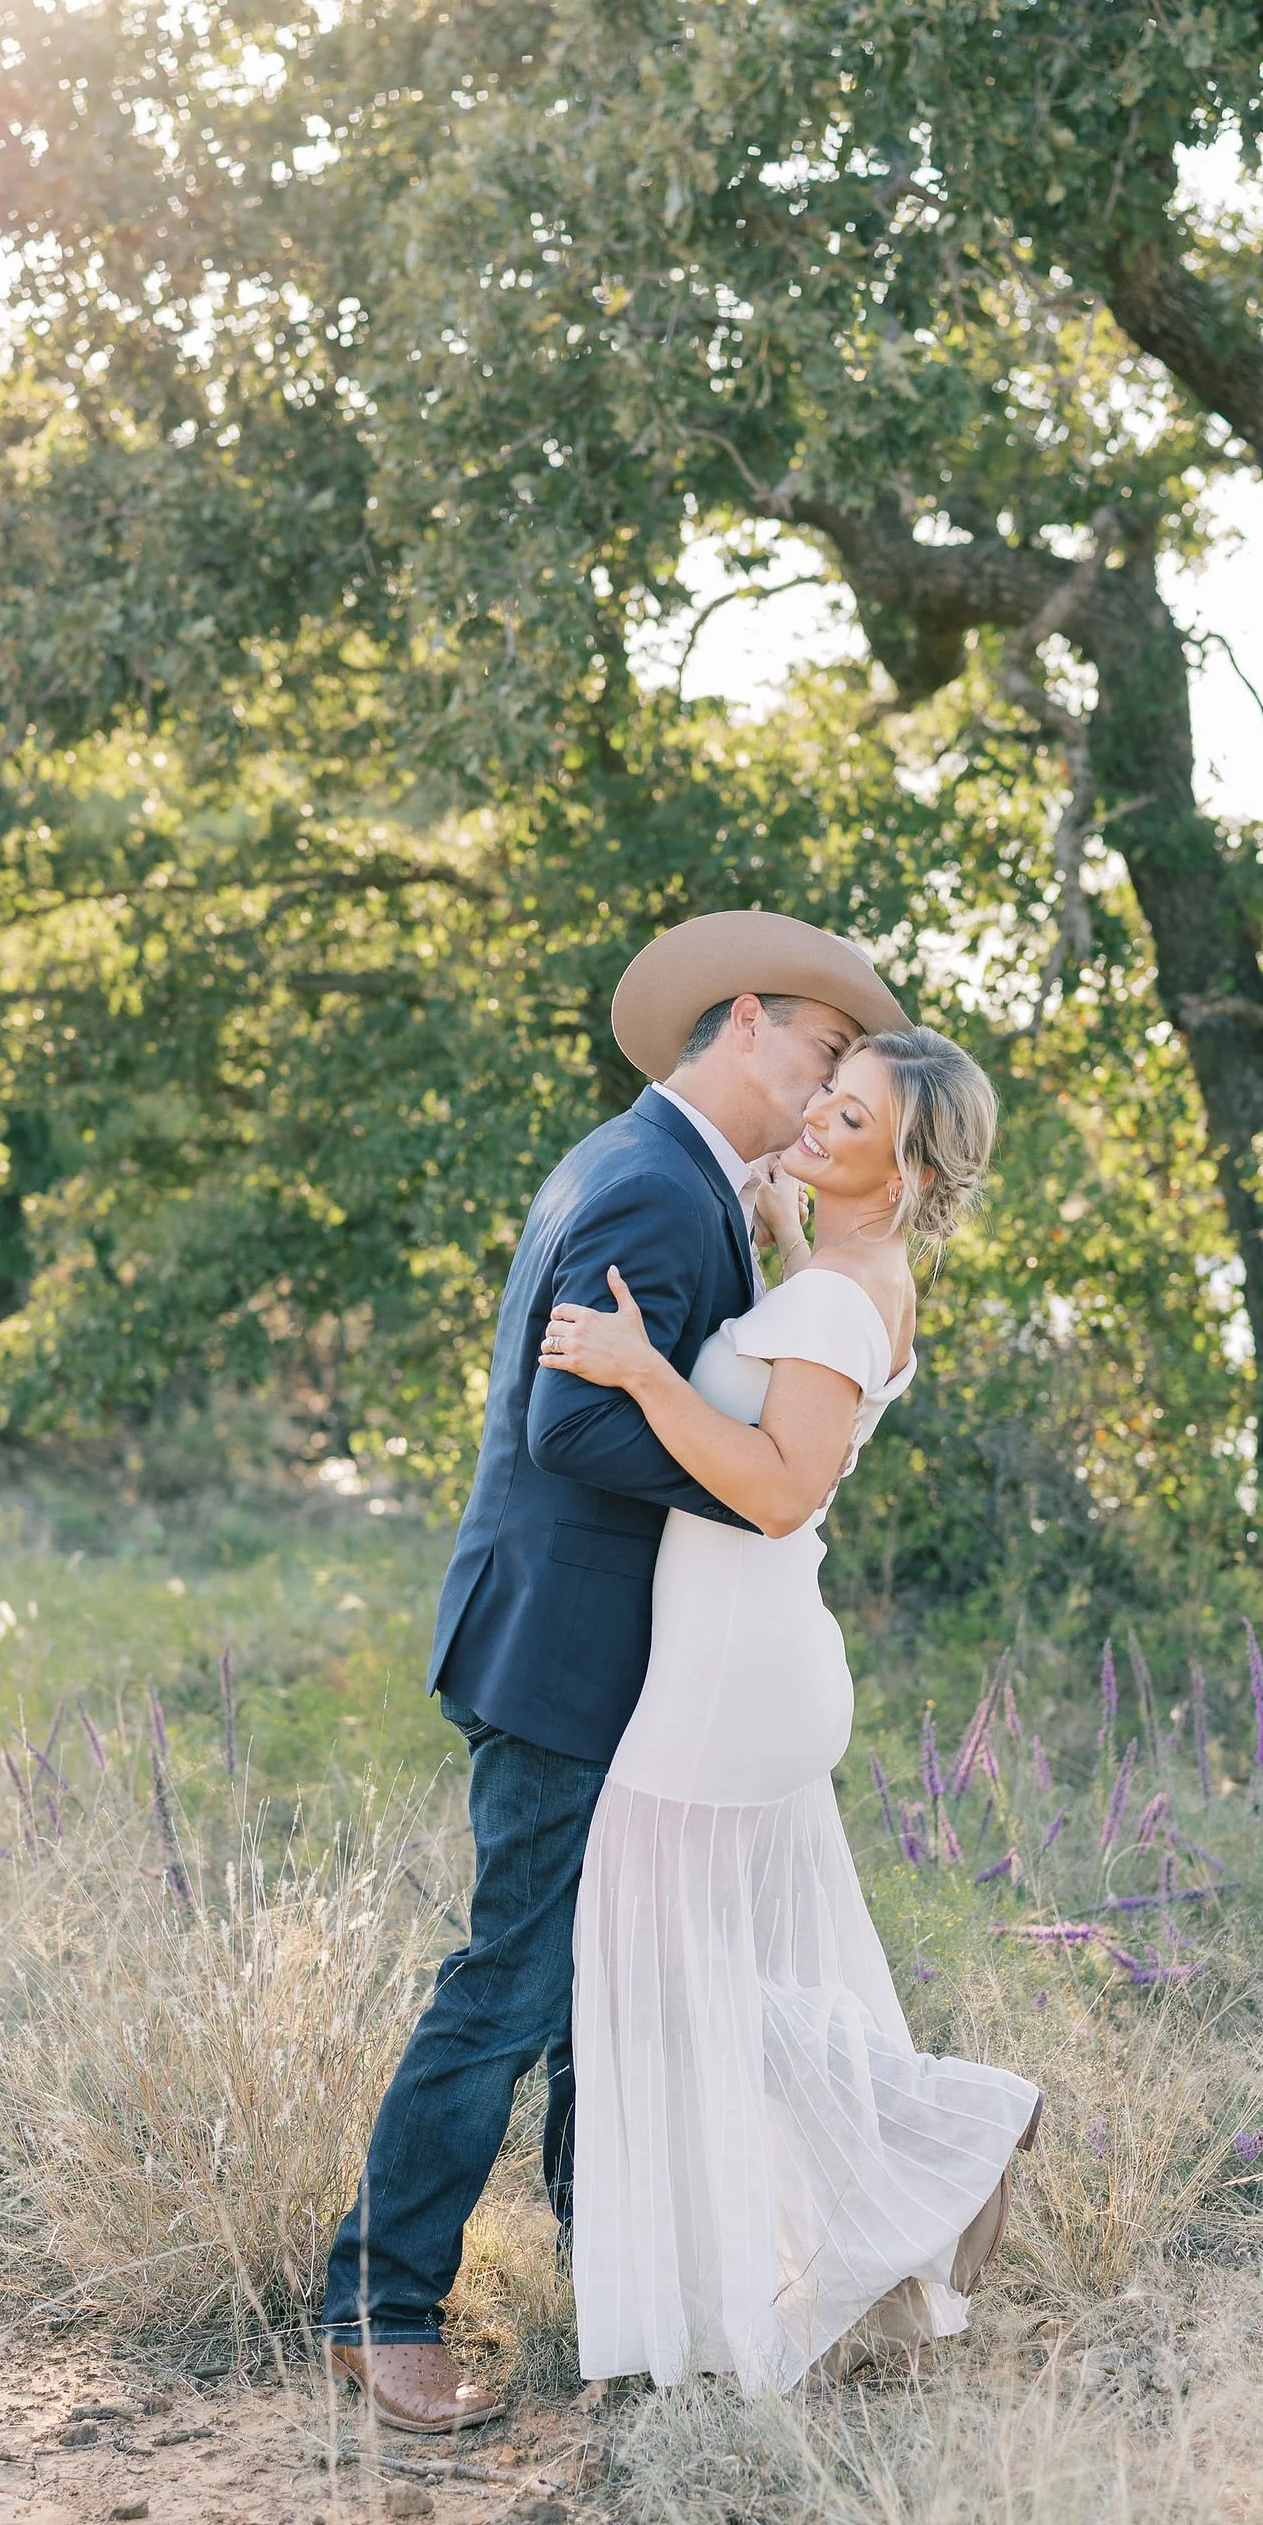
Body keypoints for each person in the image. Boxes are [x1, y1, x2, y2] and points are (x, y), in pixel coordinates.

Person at [319, 909, 912, 2434]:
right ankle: (380, 2306)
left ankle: (625, 2306)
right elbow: (569, 1427)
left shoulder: (677, 1175)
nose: (828, 1084)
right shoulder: (650, 1183)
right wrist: (781, 1495)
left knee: (611, 1997)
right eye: (824, 1051)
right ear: (744, 1021)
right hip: (563, 1649)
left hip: (610, 1654)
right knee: (514, 1986)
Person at [541, 1018, 1042, 2393]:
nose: (820, 1118)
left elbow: (775, 1491)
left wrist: (643, 1370)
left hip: (733, 1674)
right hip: (748, 1667)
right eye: (830, 1093)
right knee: (728, 1973)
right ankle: (912, 2157)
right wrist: (774, 1210)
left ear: (912, 1171)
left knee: (661, 1969)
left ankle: (953, 2124)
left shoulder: (837, 1295)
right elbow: (789, 1377)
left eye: (857, 1122)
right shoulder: (846, 1271)